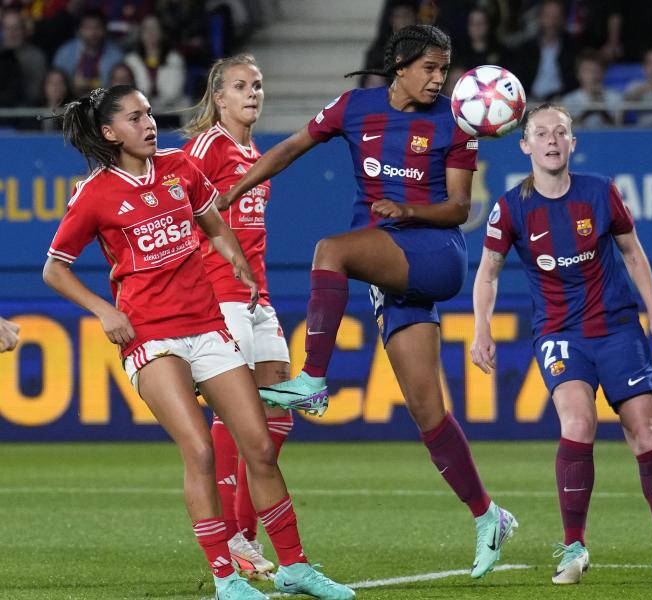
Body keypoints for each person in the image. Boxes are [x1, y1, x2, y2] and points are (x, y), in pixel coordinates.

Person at [218, 23, 518, 579]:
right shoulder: (355, 108)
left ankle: (312, 377)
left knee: (329, 250)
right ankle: (488, 515)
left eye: (444, 69)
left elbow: (457, 208)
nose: (438, 79)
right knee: (428, 413)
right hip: (390, 268)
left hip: (434, 252)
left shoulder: (457, 119)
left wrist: (408, 213)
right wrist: (232, 191)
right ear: (400, 65)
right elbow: (289, 148)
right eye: (429, 68)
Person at [42, 84, 354, 600]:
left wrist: (235, 259)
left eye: (149, 113)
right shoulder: (94, 193)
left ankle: (296, 566)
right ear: (109, 132)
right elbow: (55, 269)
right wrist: (104, 310)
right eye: (135, 117)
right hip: (151, 336)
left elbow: (213, 223)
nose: (149, 123)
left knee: (260, 446)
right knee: (200, 451)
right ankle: (226, 579)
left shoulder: (180, 170)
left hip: (208, 327)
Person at [470, 104, 652, 586]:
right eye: (541, 133)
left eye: (561, 132)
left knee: (647, 430)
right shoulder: (509, 207)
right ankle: (574, 548)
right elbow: (487, 273)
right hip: (558, 333)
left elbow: (634, 253)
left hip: (616, 328)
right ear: (524, 145)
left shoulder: (601, 192)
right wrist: (481, 330)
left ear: (572, 143)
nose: (552, 140)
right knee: (578, 419)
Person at [182, 54, 293, 581]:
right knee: (236, 416)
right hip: (220, 295)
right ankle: (232, 534)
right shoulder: (206, 148)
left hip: (257, 296)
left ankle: (242, 533)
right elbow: (174, 208)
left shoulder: (255, 153)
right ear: (218, 97)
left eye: (259, 85)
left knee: (279, 415)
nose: (253, 93)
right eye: (241, 86)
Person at [52, 9, 124, 96]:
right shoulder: (64, 53)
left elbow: (118, 88)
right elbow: (56, 82)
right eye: (88, 28)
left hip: (105, 103)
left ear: (105, 30)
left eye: (97, 27)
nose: (93, 33)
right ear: (78, 30)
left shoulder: (116, 55)